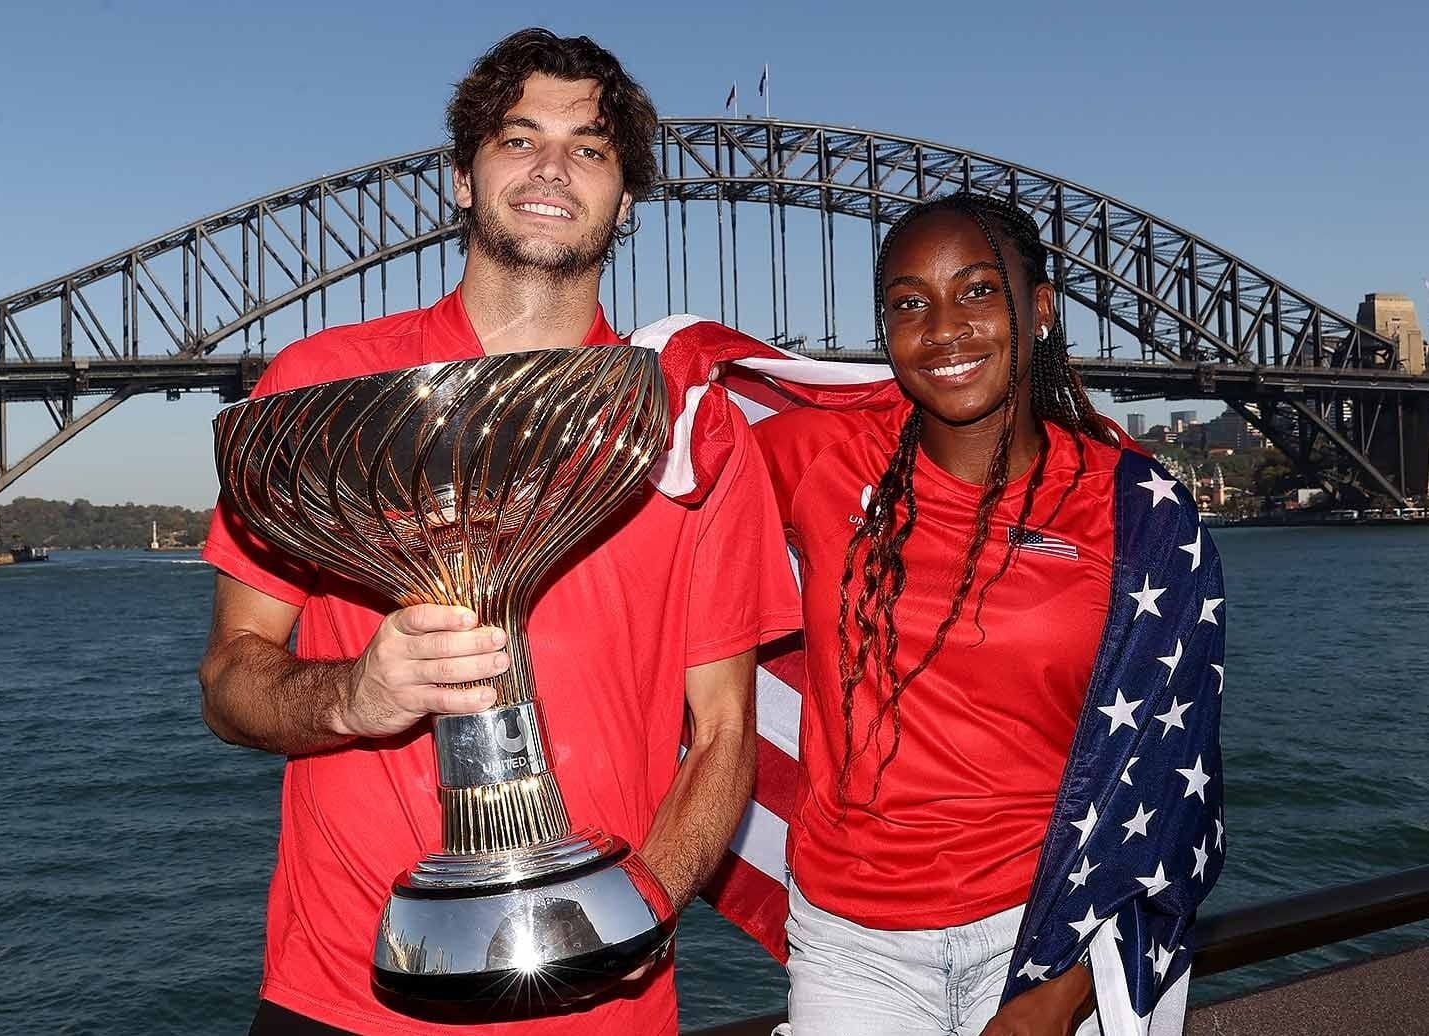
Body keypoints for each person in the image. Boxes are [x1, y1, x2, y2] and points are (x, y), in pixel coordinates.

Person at [197, 28, 800, 1036]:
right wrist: (353, 696)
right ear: (459, 178)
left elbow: (726, 731)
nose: (552, 168)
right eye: (519, 139)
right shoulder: (320, 392)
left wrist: (637, 911)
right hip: (346, 998)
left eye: (589, 148)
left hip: (606, 1009)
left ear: (626, 198)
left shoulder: (690, 427)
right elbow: (228, 680)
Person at [736, 193, 1225, 1035]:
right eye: (909, 304)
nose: (942, 329)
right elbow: (652, 480)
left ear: (1041, 309)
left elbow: (1174, 782)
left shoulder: (1137, 512)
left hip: (1052, 928)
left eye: (976, 291)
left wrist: (1063, 990)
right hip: (852, 947)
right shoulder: (818, 457)